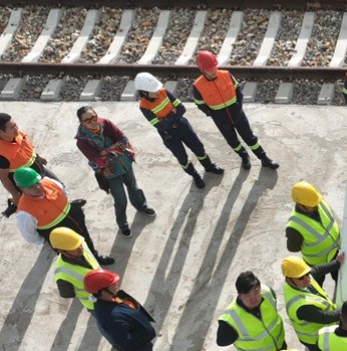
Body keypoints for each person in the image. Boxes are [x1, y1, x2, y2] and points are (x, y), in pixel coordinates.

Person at [84, 269, 179, 351]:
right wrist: (145, 336)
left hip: (142, 345)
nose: (116, 284)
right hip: (137, 347)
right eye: (112, 284)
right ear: (102, 291)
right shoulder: (111, 317)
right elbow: (126, 341)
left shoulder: (110, 300)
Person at [75, 106, 156, 238]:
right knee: (120, 199)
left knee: (134, 188)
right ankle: (123, 224)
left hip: (125, 164)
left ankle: (142, 206)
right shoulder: (82, 141)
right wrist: (114, 149)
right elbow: (97, 161)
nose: (92, 121)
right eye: (87, 121)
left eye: (93, 117)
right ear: (81, 123)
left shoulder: (105, 123)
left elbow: (124, 141)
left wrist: (105, 151)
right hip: (110, 173)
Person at [135, 72, 224, 189]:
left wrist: (167, 119)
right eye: (153, 91)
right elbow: (160, 126)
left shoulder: (163, 92)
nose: (157, 92)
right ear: (144, 92)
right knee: (182, 158)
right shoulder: (144, 106)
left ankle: (209, 167)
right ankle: (195, 175)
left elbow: (181, 108)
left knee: (198, 148)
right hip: (169, 135)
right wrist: (173, 115)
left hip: (183, 126)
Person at [192, 50, 279, 170]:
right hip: (221, 120)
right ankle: (244, 156)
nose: (213, 71)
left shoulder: (226, 75)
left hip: (238, 114)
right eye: (209, 70)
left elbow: (238, 91)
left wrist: (238, 106)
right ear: (202, 70)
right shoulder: (197, 86)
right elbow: (200, 104)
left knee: (250, 138)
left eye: (214, 68)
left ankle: (264, 159)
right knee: (233, 142)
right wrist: (212, 114)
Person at [13, 167, 114, 265]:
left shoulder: (49, 182)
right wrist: (48, 241)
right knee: (71, 255)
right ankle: (86, 271)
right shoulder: (24, 212)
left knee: (86, 240)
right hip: (59, 235)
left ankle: (95, 257)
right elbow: (30, 235)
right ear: (21, 188)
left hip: (74, 219)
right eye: (31, 186)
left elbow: (64, 193)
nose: (38, 187)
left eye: (37, 182)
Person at [49, 227, 116, 346]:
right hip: (95, 304)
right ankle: (117, 344)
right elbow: (67, 294)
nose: (81, 249)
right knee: (106, 325)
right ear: (61, 250)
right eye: (75, 248)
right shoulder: (62, 272)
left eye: (80, 245)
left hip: (108, 292)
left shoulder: (79, 244)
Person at [281, 254, 342, 351]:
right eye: (301, 278)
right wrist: (345, 311)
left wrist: (337, 263)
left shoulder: (301, 279)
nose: (307, 279)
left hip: (317, 332)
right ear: (289, 279)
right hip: (313, 338)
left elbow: (318, 270)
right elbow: (326, 317)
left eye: (307, 274)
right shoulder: (301, 307)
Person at [0, 113, 63, 211]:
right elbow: (4, 178)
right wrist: (15, 194)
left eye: (15, 124)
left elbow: (28, 147)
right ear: (1, 132)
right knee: (41, 202)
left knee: (59, 186)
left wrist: (39, 157)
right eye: (12, 127)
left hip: (39, 169)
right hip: (28, 181)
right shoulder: (2, 153)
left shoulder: (18, 134)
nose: (16, 128)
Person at [286, 181, 342, 287]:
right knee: (316, 285)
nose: (316, 206)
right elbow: (293, 248)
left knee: (339, 279)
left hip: (335, 254)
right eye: (311, 205)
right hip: (316, 264)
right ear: (300, 205)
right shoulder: (294, 225)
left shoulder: (318, 201)